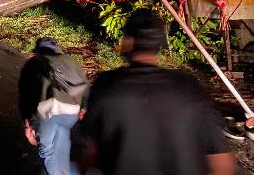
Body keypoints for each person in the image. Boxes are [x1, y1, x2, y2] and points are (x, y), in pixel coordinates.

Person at [79, 9, 235, 175]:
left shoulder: (106, 85)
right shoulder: (188, 87)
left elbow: (88, 155)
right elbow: (221, 163)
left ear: (129, 42)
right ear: (160, 45)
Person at [18, 37, 87, 175]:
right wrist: (82, 108)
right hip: (71, 112)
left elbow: (26, 96)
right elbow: (85, 85)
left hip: (49, 112)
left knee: (47, 152)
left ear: (37, 50)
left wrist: (28, 123)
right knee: (60, 146)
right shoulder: (69, 61)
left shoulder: (33, 64)